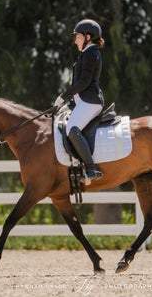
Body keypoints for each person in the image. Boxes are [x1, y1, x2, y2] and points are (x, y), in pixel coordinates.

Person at [54, 19, 105, 182]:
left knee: (71, 128)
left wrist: (64, 95)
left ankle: (92, 169)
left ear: (88, 36)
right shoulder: (87, 53)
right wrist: (67, 104)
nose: (75, 40)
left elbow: (84, 82)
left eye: (78, 36)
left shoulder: (91, 53)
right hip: (83, 102)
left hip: (91, 102)